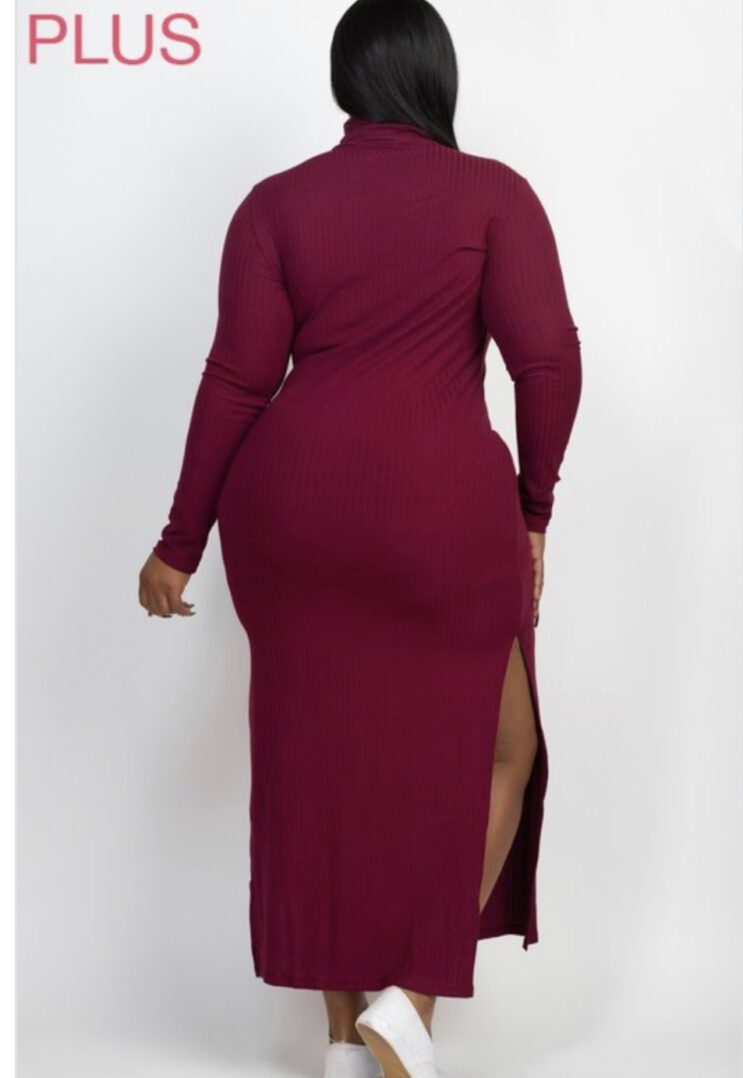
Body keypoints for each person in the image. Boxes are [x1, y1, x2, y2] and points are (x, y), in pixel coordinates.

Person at [139, 0, 582, 1074]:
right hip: (442, 507)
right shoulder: (493, 196)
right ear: (437, 77)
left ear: (346, 81)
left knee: (321, 772)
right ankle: (408, 1004)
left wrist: (179, 541)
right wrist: (532, 510)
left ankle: (345, 1041)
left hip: (289, 513)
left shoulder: (276, 206)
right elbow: (547, 363)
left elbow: (237, 379)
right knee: (503, 750)